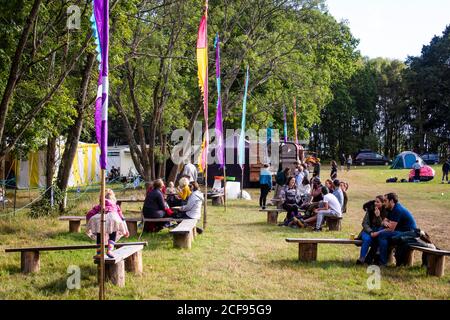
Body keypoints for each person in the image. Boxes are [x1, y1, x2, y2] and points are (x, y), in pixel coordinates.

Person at [86, 189, 129, 258]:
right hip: (113, 218)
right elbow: (122, 218)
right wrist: (126, 230)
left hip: (100, 218)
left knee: (99, 234)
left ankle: (99, 253)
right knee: (113, 233)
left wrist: (88, 223)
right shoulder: (116, 206)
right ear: (113, 198)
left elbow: (89, 214)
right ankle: (110, 250)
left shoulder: (99, 206)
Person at [377, 193, 417, 266]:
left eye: (385, 201)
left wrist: (378, 232)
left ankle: (382, 262)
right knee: (381, 229)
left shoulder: (397, 209)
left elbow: (391, 229)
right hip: (400, 231)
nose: (384, 203)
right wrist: (385, 223)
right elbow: (383, 222)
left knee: (382, 234)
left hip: (408, 233)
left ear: (391, 201)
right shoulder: (390, 209)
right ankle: (377, 256)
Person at [356, 196, 388, 265]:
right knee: (367, 239)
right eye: (375, 201)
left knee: (380, 240)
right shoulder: (370, 210)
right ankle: (362, 258)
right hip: (368, 230)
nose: (375, 203)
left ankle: (375, 259)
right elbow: (364, 223)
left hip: (379, 231)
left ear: (382, 203)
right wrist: (370, 232)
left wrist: (378, 216)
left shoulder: (386, 211)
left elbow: (382, 226)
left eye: (378, 202)